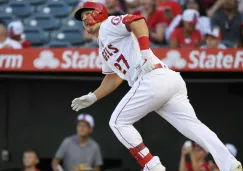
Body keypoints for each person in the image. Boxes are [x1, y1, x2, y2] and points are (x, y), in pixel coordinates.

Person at [71, 1, 242, 171]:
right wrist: (93, 96)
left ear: (100, 13)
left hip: (151, 77)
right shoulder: (102, 46)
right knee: (195, 128)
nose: (85, 19)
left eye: (88, 14)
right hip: (166, 80)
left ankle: (152, 166)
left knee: (117, 122)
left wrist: (145, 51)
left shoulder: (108, 25)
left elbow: (137, 21)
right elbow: (114, 78)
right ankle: (230, 164)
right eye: (82, 17)